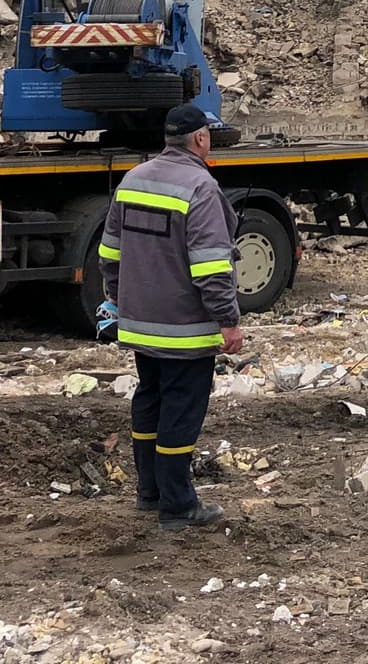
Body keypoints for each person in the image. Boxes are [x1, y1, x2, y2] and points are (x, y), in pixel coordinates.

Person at [97, 103, 242, 531]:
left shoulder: (133, 179)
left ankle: (150, 493)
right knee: (181, 409)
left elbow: (109, 254)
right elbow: (212, 266)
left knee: (150, 399)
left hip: (140, 323)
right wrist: (228, 321)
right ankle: (178, 505)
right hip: (185, 328)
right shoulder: (201, 187)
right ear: (200, 139)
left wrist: (117, 300)